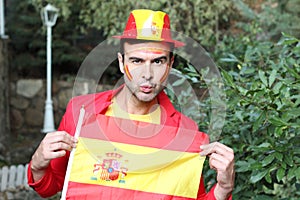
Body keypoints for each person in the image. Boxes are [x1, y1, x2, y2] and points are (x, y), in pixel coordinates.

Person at [28, 9, 235, 199]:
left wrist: (223, 189)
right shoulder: (81, 112)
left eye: (158, 61)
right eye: (136, 61)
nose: (147, 74)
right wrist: (38, 163)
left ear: (170, 64)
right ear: (121, 62)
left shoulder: (186, 132)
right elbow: (53, 186)